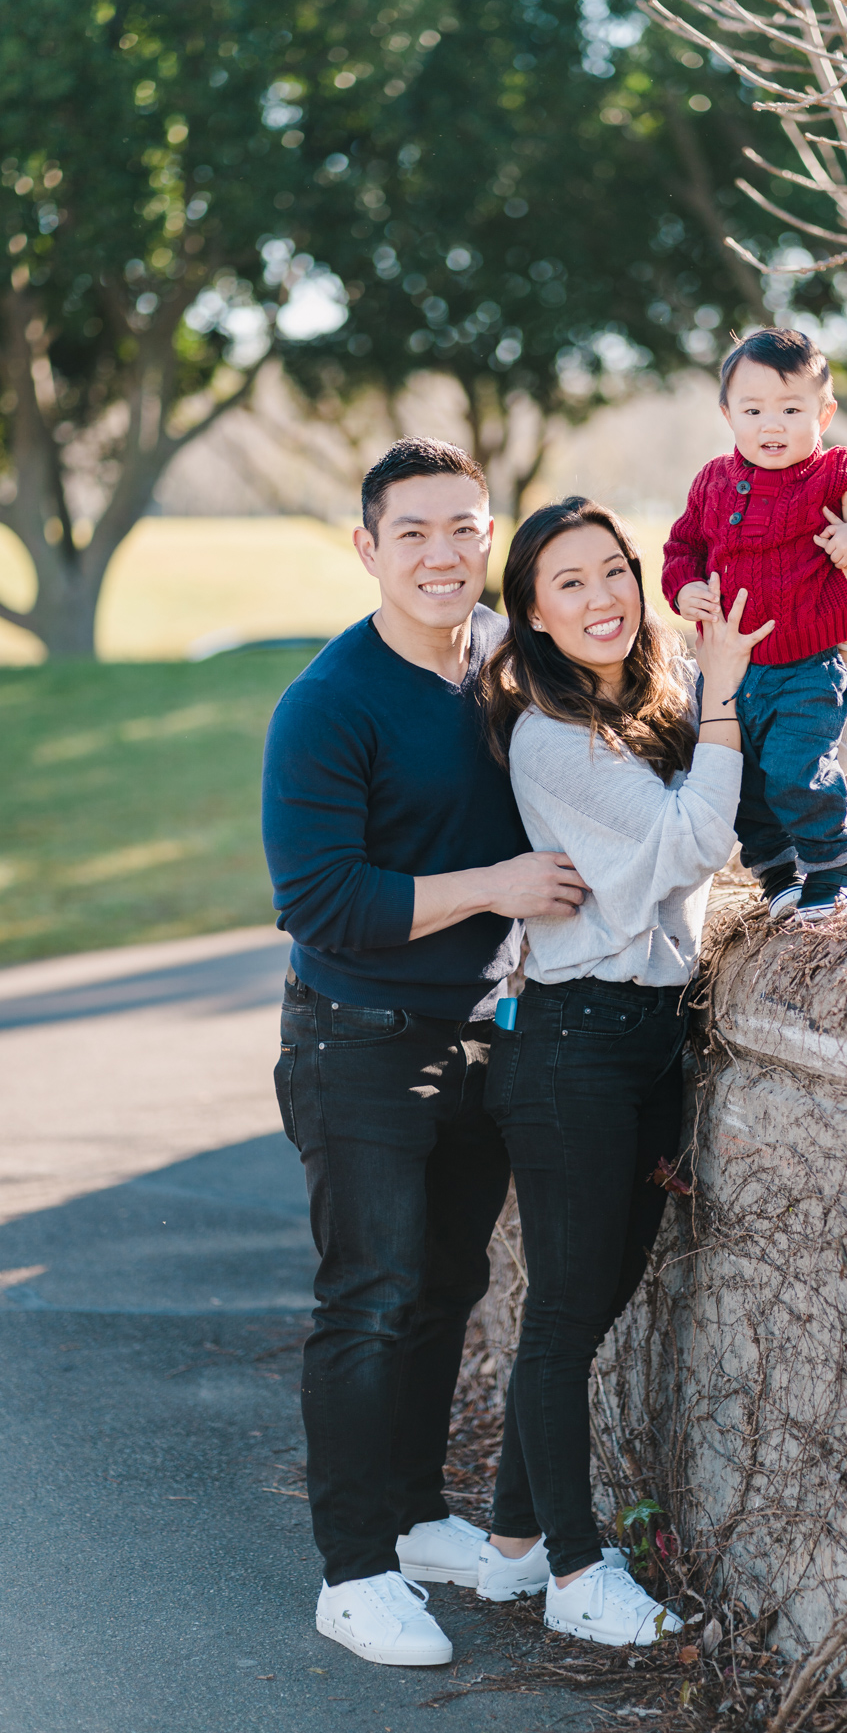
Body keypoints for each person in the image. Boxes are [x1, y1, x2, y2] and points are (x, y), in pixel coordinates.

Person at [261, 438, 587, 1668]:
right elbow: (324, 904)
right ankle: (351, 1576)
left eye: (466, 529)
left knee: (445, 1289)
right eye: (415, 533)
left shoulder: (503, 666)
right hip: (357, 1041)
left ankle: (410, 1519)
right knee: (371, 1297)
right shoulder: (329, 704)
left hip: (481, 1039)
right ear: (368, 549)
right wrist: (496, 884)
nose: (444, 555)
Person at [476, 496, 772, 1647]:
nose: (604, 599)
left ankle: (509, 1546)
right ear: (535, 617)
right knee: (561, 1319)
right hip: (571, 1048)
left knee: (589, 1307)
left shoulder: (635, 711)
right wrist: (730, 694)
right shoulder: (552, 738)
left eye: (615, 573)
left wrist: (703, 706)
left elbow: (690, 839)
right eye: (571, 584)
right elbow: (691, 842)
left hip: (644, 1039)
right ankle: (573, 1574)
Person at [662, 327, 847, 922]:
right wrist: (686, 588)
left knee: (794, 770)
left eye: (791, 408)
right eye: (753, 410)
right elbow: (682, 548)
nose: (771, 425)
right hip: (729, 670)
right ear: (727, 413)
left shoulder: (833, 473)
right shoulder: (712, 482)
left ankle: (831, 866)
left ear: (824, 412)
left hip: (806, 666)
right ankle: (777, 872)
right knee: (741, 780)